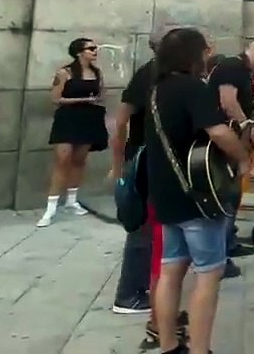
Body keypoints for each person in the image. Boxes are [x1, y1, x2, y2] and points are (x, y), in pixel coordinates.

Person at [147, 27, 253, 354]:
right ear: (194, 55)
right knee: (209, 274)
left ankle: (167, 346)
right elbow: (219, 133)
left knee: (171, 270)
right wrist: (243, 157)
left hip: (165, 193)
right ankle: (200, 349)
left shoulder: (157, 90)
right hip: (198, 196)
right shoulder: (193, 88)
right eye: (204, 51)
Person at [108, 24, 174, 341]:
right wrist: (119, 165)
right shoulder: (149, 74)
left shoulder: (166, 74)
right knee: (143, 227)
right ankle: (130, 293)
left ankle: (144, 290)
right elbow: (121, 120)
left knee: (151, 228)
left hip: (153, 160)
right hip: (144, 160)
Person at [207, 39, 254, 269]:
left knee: (234, 192)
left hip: (236, 135)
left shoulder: (243, 70)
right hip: (225, 137)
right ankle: (219, 254)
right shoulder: (232, 66)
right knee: (226, 193)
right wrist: (249, 126)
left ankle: (229, 240)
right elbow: (228, 102)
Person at [37, 37, 107, 228]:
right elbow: (55, 98)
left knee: (79, 160)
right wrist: (82, 99)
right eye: (90, 48)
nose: (95, 51)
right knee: (62, 160)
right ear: (79, 52)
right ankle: (51, 207)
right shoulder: (65, 72)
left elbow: (101, 94)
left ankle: (71, 199)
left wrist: (95, 100)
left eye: (95, 48)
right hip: (68, 118)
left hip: (89, 118)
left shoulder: (96, 72)